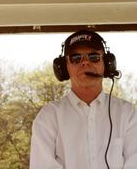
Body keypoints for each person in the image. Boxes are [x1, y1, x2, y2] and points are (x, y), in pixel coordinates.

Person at [30, 29, 137, 169]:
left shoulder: (127, 114)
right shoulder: (48, 117)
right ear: (64, 67)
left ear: (107, 64)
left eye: (94, 57)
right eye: (76, 58)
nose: (85, 62)